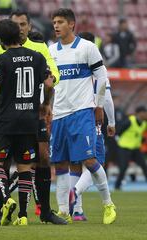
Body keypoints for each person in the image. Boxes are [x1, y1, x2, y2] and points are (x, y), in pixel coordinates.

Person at [0, 10, 65, 225]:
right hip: (27, 113)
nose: (19, 28)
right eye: (15, 24)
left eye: (22, 24)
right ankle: (10, 211)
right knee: (20, 163)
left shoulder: (38, 46)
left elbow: (54, 76)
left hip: (21, 115)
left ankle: (43, 210)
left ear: (29, 26)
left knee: (41, 158)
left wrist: (45, 105)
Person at [48, 8, 116, 224]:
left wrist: (98, 106)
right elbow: (47, 83)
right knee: (60, 163)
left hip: (82, 112)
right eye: (54, 22)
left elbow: (102, 78)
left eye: (60, 22)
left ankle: (108, 204)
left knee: (89, 158)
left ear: (72, 24)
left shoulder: (87, 48)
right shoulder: (51, 51)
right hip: (59, 114)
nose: (56, 26)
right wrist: (45, 107)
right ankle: (63, 210)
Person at [69, 32, 116, 221]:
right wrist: (111, 122)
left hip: (70, 118)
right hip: (91, 120)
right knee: (94, 163)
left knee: (75, 165)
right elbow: (108, 99)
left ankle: (77, 211)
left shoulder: (73, 68)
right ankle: (75, 191)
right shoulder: (98, 71)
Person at [114, 106, 147, 190]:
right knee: (123, 167)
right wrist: (117, 139)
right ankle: (117, 186)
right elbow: (118, 131)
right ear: (139, 113)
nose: (146, 114)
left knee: (144, 166)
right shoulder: (129, 121)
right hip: (124, 148)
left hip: (135, 149)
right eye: (144, 113)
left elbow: (138, 134)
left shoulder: (144, 123)